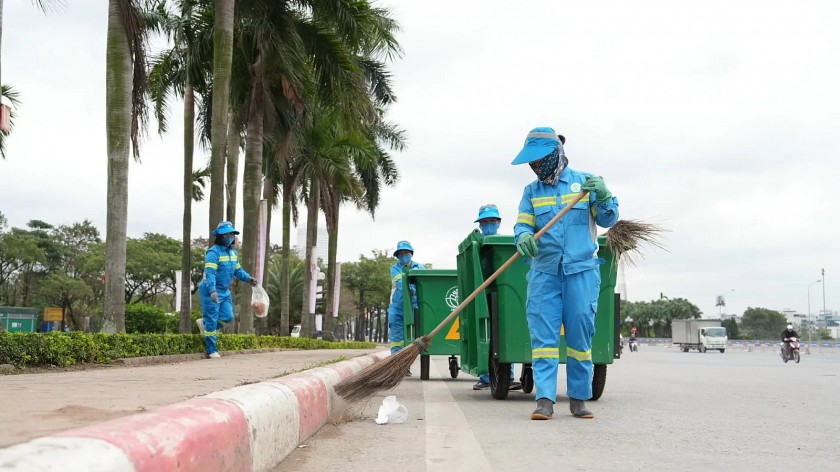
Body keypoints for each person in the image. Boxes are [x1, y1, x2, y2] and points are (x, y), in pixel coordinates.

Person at [512, 127, 619, 420]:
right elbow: (522, 225)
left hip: (581, 272)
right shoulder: (531, 192)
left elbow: (608, 219)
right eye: (531, 163)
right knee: (544, 340)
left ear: (555, 154)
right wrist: (522, 237)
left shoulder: (586, 183)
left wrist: (605, 196)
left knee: (580, 337)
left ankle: (578, 399)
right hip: (544, 273)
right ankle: (544, 400)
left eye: (539, 160)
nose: (535, 167)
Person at [471, 204, 522, 392]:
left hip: (504, 296)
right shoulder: (477, 245)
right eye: (484, 222)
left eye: (492, 221)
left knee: (505, 334)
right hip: (483, 296)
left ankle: (507, 377)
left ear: (499, 222)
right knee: (487, 336)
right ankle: (486, 377)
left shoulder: (506, 244)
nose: (488, 225)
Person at [198, 221, 258, 358]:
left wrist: (249, 279)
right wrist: (212, 290)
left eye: (232, 234)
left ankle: (205, 325)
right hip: (210, 289)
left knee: (228, 316)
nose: (230, 236)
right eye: (227, 234)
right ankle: (211, 350)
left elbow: (238, 270)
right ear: (220, 236)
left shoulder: (233, 253)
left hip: (224, 291)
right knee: (212, 319)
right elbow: (210, 273)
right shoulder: (213, 252)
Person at [388, 240, 424, 374]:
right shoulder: (395, 268)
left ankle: (406, 364)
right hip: (398, 309)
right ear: (397, 256)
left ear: (411, 253)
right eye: (401, 253)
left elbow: (425, 284)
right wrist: (413, 286)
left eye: (406, 252)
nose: (404, 255)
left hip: (416, 308)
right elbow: (401, 282)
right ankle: (398, 367)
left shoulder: (420, 267)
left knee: (414, 337)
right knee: (397, 340)